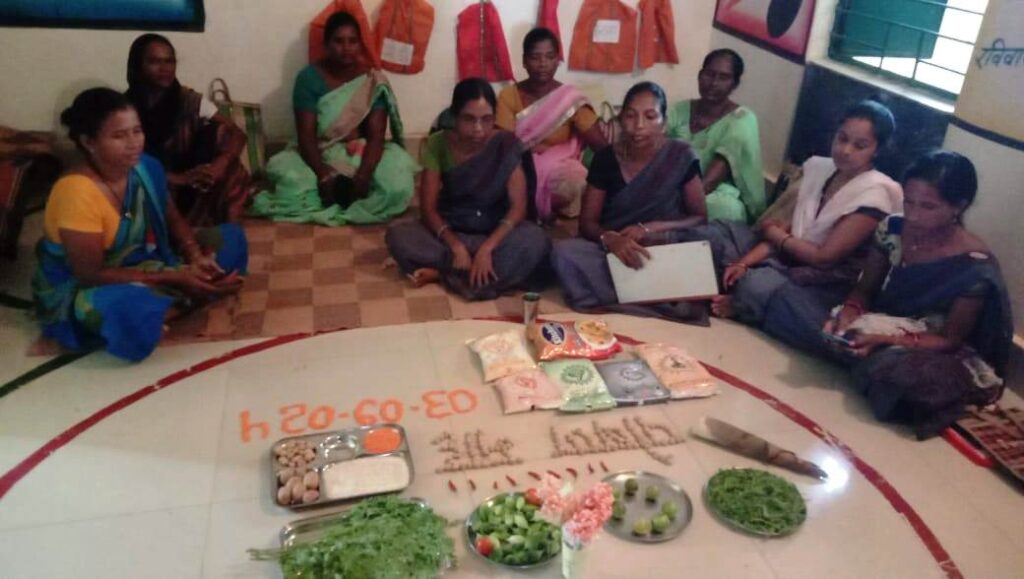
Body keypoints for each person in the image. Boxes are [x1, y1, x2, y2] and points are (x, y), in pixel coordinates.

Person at [766, 152, 1013, 438]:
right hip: (881, 321)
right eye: (909, 202)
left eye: (928, 206)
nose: (914, 215)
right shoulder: (893, 227)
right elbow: (865, 290)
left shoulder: (975, 266)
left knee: (899, 377)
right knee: (783, 295)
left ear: (959, 206)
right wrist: (849, 312)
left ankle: (861, 359)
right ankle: (855, 354)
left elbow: (949, 340)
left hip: (921, 344)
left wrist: (884, 340)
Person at [32, 88, 248, 362]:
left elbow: (173, 218)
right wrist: (174, 277)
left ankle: (175, 302)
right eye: (119, 136)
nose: (133, 143)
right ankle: (186, 297)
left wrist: (195, 256)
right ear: (89, 142)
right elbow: (90, 274)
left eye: (137, 131)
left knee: (231, 239)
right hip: (87, 285)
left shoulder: (145, 166)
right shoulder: (75, 192)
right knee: (126, 309)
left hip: (148, 262)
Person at [701, 99, 903, 326]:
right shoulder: (818, 168)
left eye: (860, 146)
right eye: (842, 138)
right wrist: (743, 263)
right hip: (785, 254)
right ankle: (728, 289)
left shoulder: (876, 193)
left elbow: (822, 258)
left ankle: (741, 298)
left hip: (822, 278)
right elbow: (778, 230)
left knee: (756, 285)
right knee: (713, 233)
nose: (845, 150)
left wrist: (776, 236)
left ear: (877, 150)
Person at [550, 82, 707, 323]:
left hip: (663, 248)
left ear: (664, 123)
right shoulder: (605, 158)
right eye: (631, 116)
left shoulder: (680, 156)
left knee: (705, 248)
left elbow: (699, 218)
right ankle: (659, 300)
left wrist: (650, 229)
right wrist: (611, 239)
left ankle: (623, 296)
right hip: (616, 253)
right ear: (620, 120)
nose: (639, 126)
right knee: (564, 253)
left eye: (650, 116)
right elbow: (588, 223)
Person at [385, 79, 550, 301]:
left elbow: (518, 208)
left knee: (536, 240)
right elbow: (428, 209)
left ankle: (445, 275)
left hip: (496, 233)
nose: (478, 129)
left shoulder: (506, 144)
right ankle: (477, 276)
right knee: (398, 235)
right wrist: (456, 246)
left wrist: (487, 248)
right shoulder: (437, 144)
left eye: (486, 119)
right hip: (453, 231)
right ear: (455, 116)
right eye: (469, 119)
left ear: (495, 117)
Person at [250, 11, 417, 226]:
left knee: (397, 186)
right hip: (318, 151)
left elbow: (376, 137)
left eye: (352, 41)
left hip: (360, 152)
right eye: (338, 41)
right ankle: (349, 200)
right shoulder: (308, 79)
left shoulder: (372, 80)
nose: (346, 48)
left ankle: (345, 198)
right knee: (293, 182)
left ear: (360, 44)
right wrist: (322, 174)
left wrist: (364, 175)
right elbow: (306, 137)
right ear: (327, 45)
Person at [125, 34, 250, 226]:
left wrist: (220, 165)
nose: (165, 68)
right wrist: (178, 179)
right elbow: (124, 163)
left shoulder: (188, 100)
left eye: (169, 61)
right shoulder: (124, 109)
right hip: (153, 184)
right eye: (154, 62)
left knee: (226, 149)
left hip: (194, 181)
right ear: (137, 66)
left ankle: (230, 231)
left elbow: (237, 133)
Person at [496, 27, 608, 221]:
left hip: (560, 170)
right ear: (524, 61)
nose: (543, 64)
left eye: (549, 57)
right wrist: (533, 150)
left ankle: (559, 220)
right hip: (518, 166)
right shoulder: (508, 95)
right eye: (535, 57)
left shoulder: (569, 98)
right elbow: (502, 144)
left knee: (578, 182)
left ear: (557, 60)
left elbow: (601, 146)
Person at [667, 49, 765, 223]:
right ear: (699, 75)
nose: (713, 83)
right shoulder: (679, 110)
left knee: (725, 208)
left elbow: (709, 182)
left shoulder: (742, 119)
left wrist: (666, 204)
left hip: (713, 193)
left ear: (734, 84)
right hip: (671, 186)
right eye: (709, 74)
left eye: (724, 78)